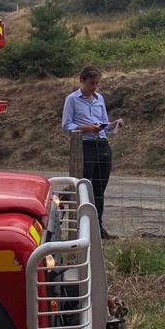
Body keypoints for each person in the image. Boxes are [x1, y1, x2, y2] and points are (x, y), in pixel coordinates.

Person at [61, 65, 120, 239]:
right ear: (82, 81)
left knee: (99, 189)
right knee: (84, 186)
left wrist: (114, 124)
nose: (94, 87)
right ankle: (80, 226)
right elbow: (66, 125)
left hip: (102, 144)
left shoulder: (99, 98)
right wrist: (85, 128)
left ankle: (98, 227)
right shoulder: (72, 99)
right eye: (91, 83)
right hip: (85, 145)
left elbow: (104, 124)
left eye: (97, 84)